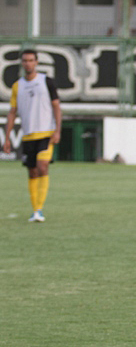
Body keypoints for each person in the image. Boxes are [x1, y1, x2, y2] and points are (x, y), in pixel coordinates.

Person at [3, 49, 61, 223]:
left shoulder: (46, 82)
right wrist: (7, 138)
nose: (28, 63)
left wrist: (57, 130)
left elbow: (56, 107)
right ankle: (35, 209)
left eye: (31, 60)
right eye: (25, 61)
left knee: (42, 167)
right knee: (32, 172)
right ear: (22, 63)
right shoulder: (17, 86)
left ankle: (39, 210)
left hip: (46, 133)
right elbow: (12, 113)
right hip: (28, 135)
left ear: (36, 62)